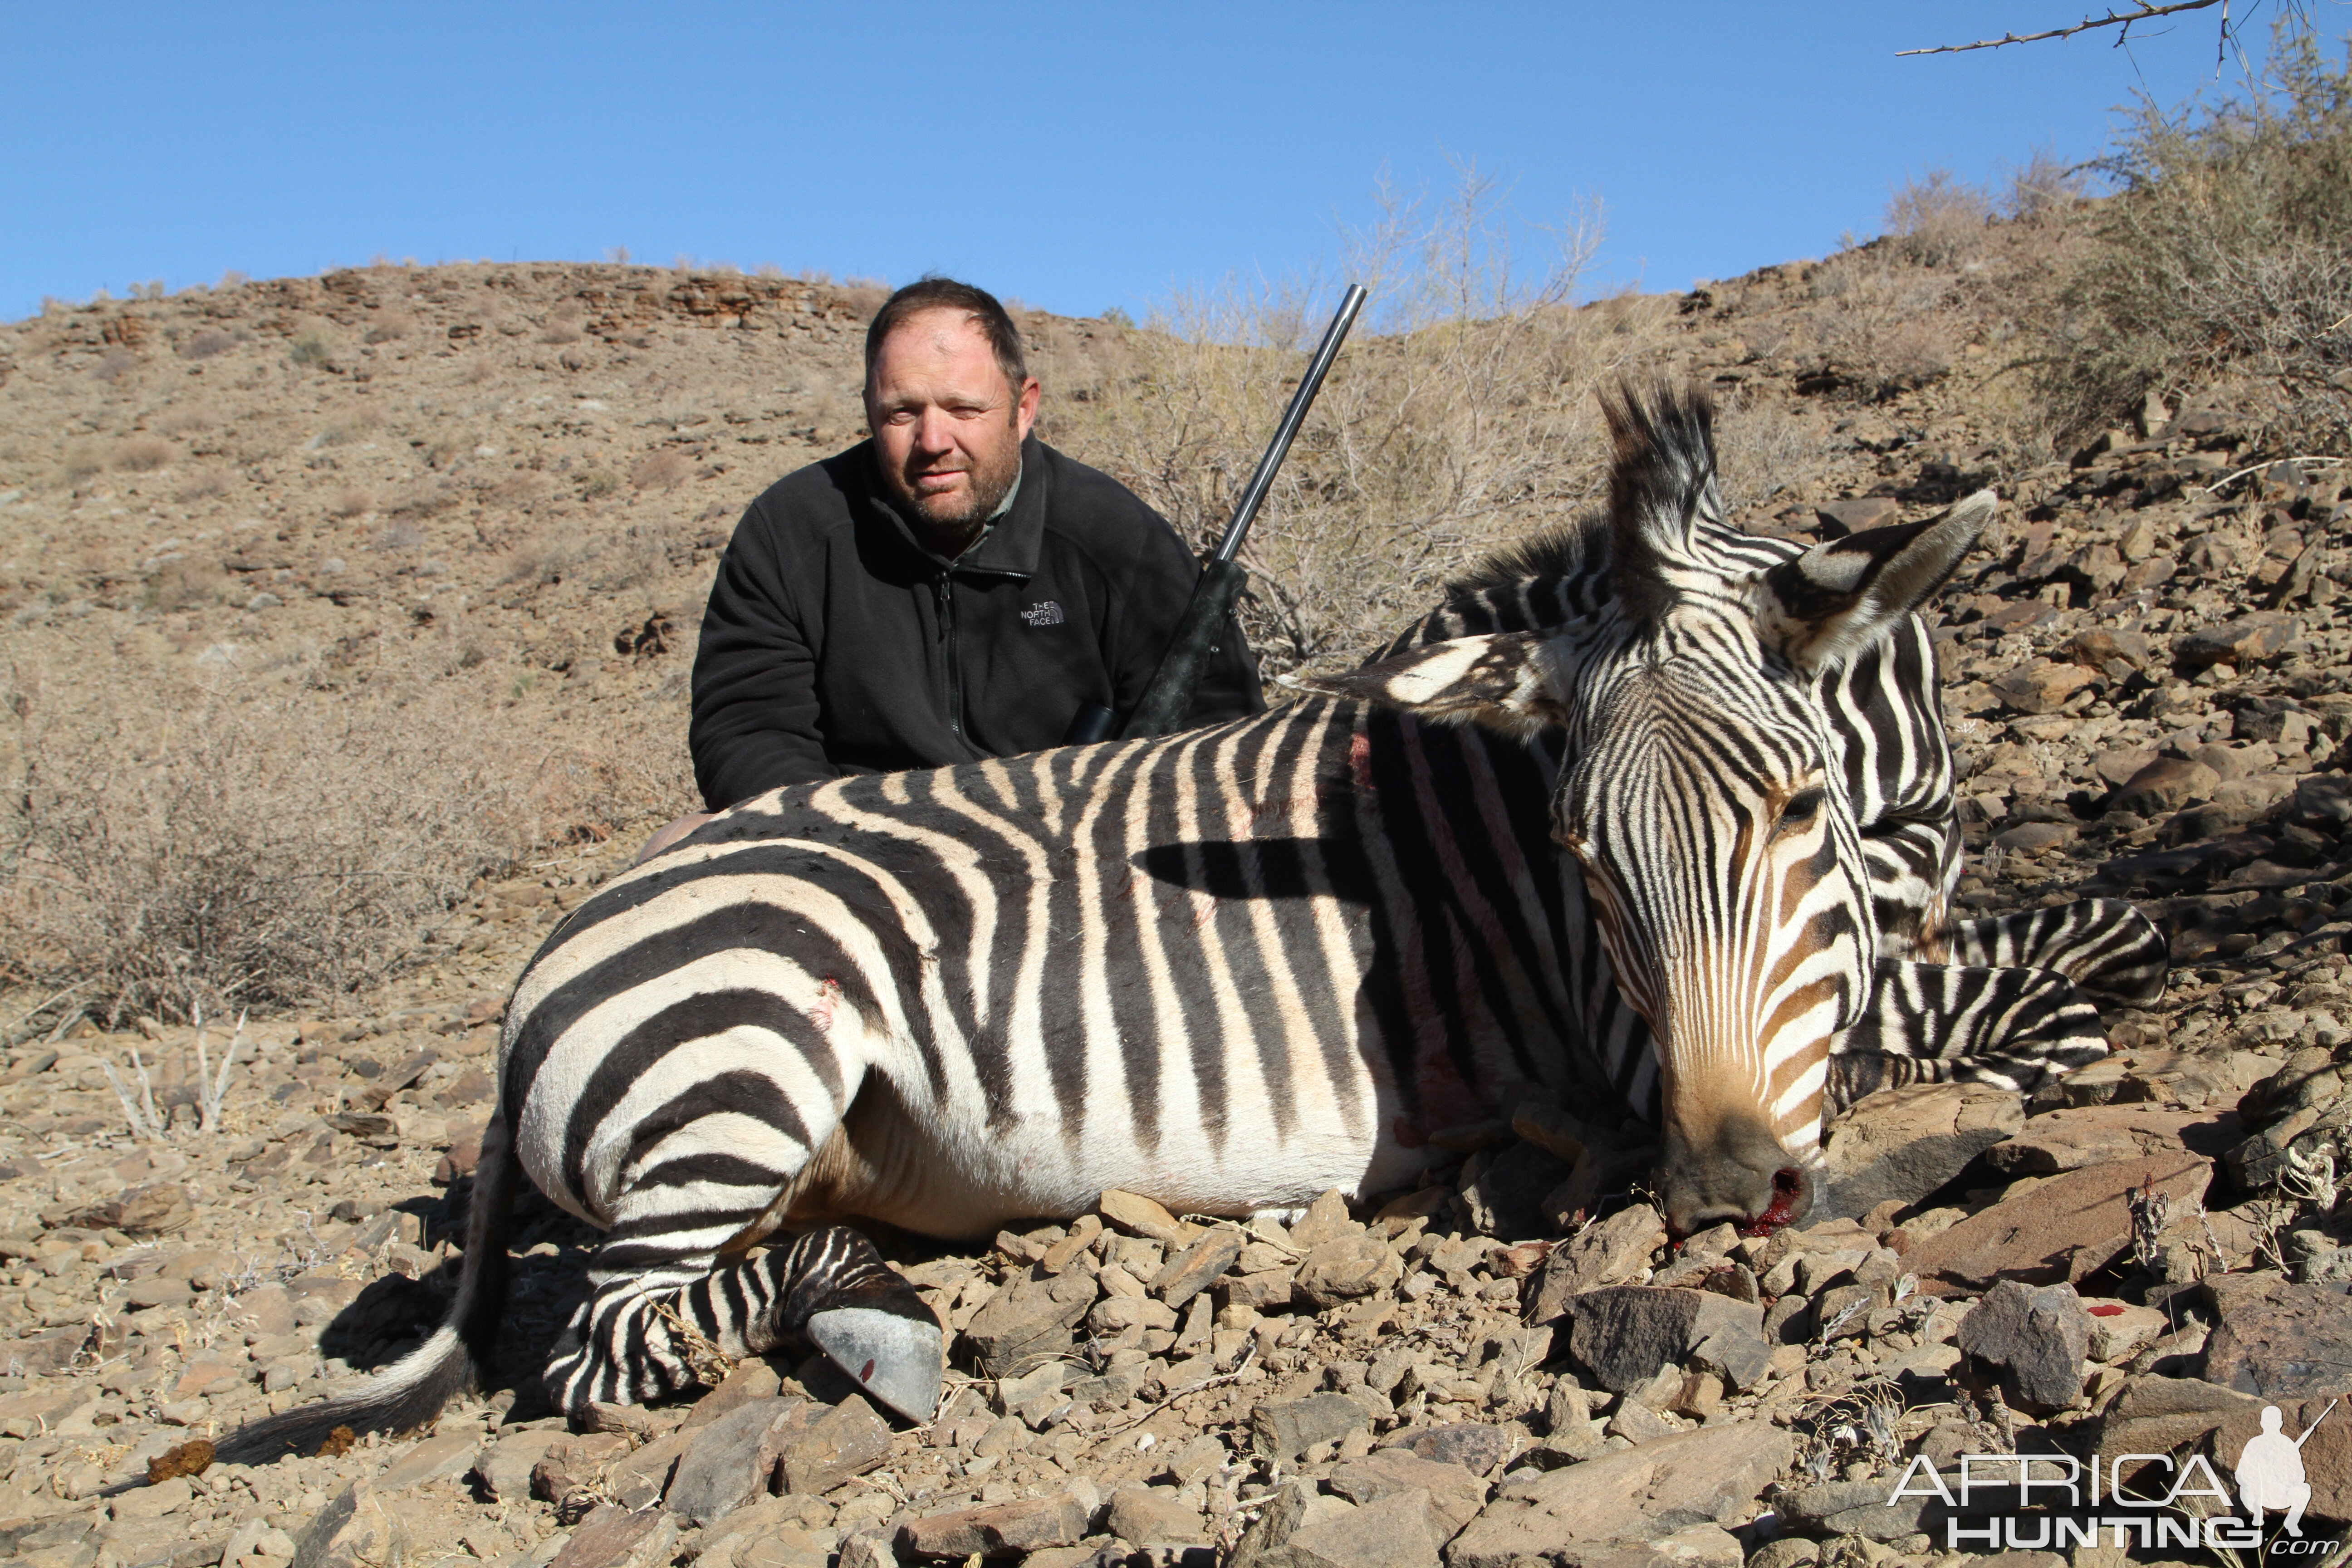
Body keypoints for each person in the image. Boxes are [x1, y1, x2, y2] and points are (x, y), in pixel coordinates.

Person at [638, 278, 1264, 861]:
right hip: (852, 844)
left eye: (964, 410)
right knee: (675, 848)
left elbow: (1220, 727)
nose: (933, 440)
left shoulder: (1117, 538)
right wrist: (847, 843)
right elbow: (747, 727)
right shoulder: (789, 530)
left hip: (1069, 853)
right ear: (868, 410)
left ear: (1024, 408)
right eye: (902, 412)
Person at [2235, 1404, 2315, 1535]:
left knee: (2304, 1489)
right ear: (2262, 1424)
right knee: (2246, 1489)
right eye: (2268, 1422)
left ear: (2280, 1423)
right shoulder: (2254, 1444)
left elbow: (2300, 1476)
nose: (2271, 1425)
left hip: (2282, 1495)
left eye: (2274, 1422)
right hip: (2258, 1496)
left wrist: (2284, 1473)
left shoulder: (2288, 1444)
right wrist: (2258, 1478)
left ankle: (2292, 1522)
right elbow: (2241, 1473)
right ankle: (2257, 1513)